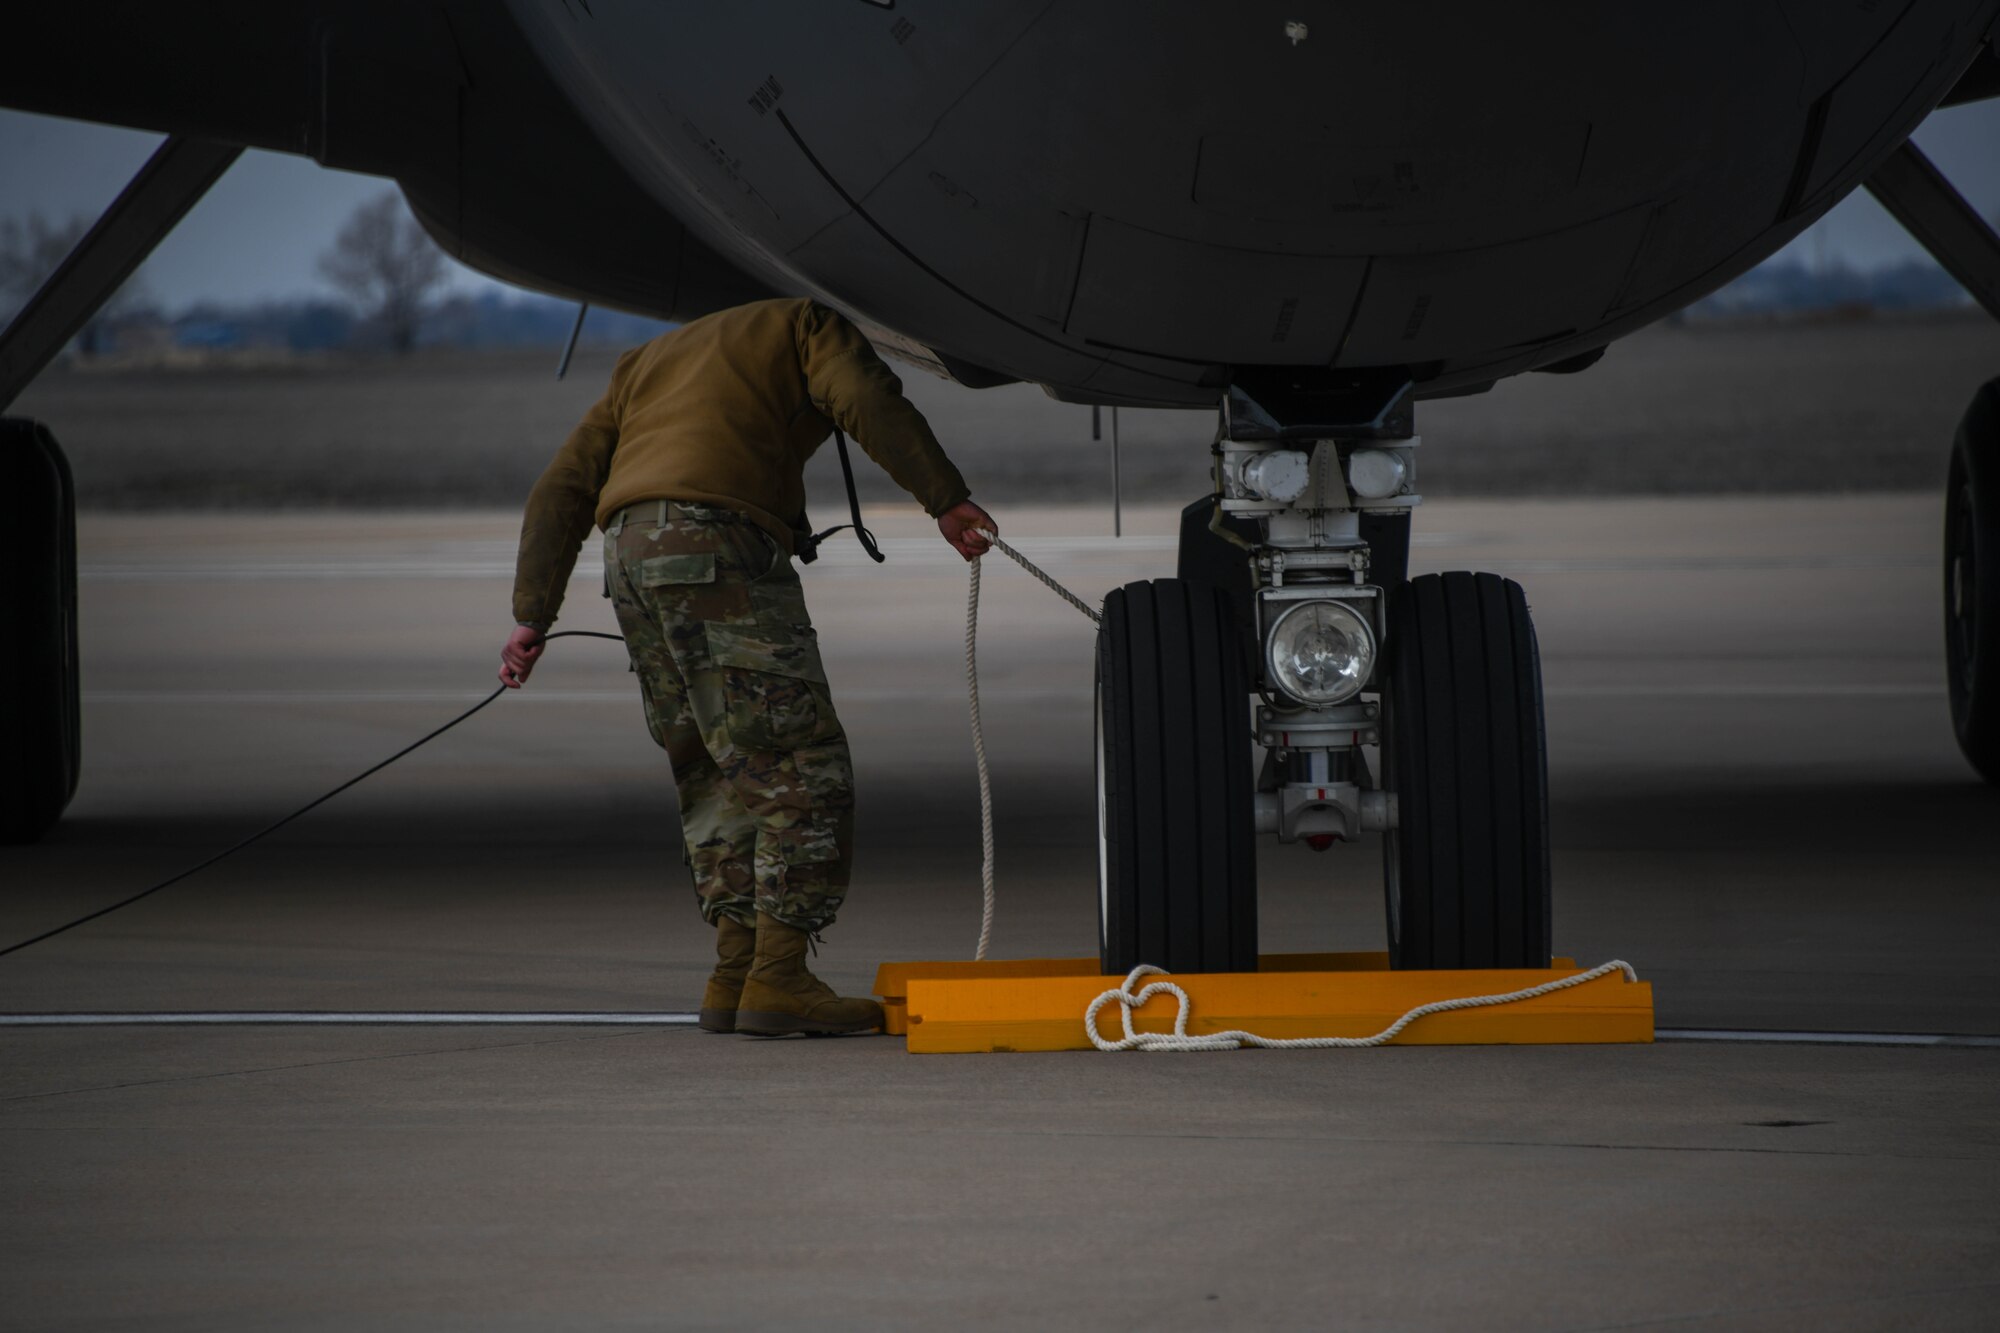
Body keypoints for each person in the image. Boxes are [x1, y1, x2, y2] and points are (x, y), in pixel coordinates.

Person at [498, 298, 995, 1037]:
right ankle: (780, 976)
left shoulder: (649, 359)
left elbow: (562, 487)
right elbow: (862, 396)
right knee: (799, 763)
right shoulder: (806, 323)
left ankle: (735, 970)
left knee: (715, 768)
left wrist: (531, 615)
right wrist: (946, 500)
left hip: (629, 555)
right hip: (716, 542)